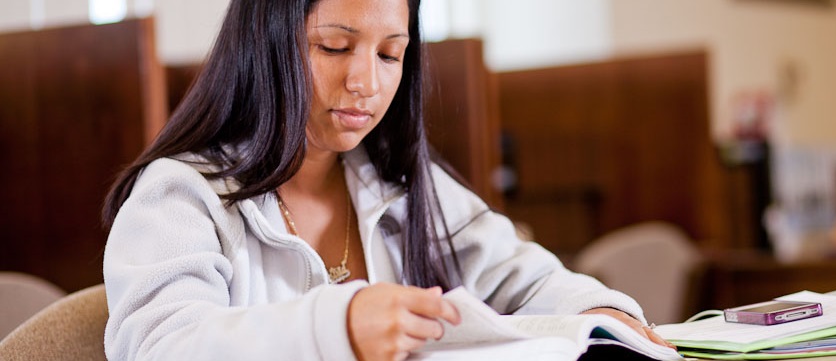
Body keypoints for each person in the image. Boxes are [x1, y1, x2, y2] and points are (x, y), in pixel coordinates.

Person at [101, 0, 671, 360]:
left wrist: (606, 316)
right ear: (266, 44)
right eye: (334, 47)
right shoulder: (180, 195)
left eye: (391, 54)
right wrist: (339, 325)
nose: (366, 82)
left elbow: (528, 278)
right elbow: (157, 346)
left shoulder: (397, 183)